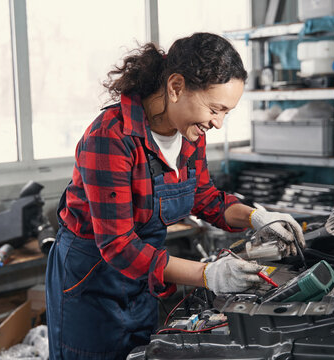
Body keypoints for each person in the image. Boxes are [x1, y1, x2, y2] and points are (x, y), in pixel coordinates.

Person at [46, 32, 305, 360]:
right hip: (91, 282)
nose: (218, 123)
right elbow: (118, 245)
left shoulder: (190, 133)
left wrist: (259, 218)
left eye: (226, 112)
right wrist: (208, 274)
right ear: (176, 87)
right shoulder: (110, 137)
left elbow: (205, 198)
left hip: (143, 276)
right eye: (215, 108)